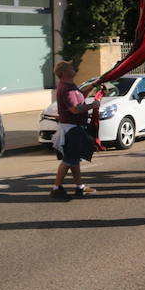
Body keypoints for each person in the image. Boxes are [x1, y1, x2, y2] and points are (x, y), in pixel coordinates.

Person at [50, 61, 99, 199]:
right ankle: (56, 187)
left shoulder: (70, 86)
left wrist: (93, 85)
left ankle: (80, 187)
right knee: (69, 159)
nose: (74, 68)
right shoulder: (66, 88)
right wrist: (92, 105)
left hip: (74, 127)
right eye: (71, 67)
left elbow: (80, 95)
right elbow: (75, 109)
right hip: (71, 129)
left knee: (74, 159)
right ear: (65, 72)